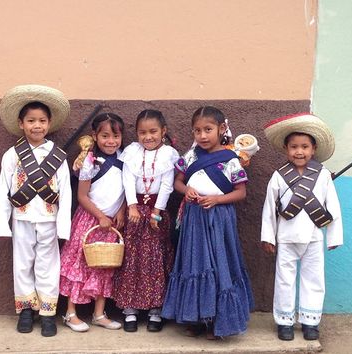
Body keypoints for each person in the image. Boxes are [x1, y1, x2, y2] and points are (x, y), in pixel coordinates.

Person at [161, 106, 254, 339]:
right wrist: (187, 190)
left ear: (222, 129)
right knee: (195, 262)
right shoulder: (190, 156)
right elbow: (177, 183)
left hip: (220, 219)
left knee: (219, 263)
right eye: (197, 131)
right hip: (194, 218)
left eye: (208, 130)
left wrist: (218, 199)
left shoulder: (231, 160)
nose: (202, 135)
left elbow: (240, 192)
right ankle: (196, 318)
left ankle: (217, 322)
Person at [0, 84, 72, 337]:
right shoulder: (11, 155)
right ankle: (26, 309)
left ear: (49, 124)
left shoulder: (57, 156)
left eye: (41, 121)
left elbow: (66, 192)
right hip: (22, 217)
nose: (36, 125)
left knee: (48, 265)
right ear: (21, 123)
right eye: (31, 121)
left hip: (49, 218)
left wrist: (63, 225)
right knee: (23, 264)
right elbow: (4, 190)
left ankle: (48, 313)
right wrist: (2, 224)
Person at [260, 113, 343, 341]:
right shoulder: (278, 176)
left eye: (304, 146)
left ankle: (310, 321)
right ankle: (284, 321)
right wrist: (268, 237)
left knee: (314, 279)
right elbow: (270, 208)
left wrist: (334, 237)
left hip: (314, 237)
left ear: (313, 149)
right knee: (284, 280)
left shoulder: (323, 175)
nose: (299, 151)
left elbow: (333, 207)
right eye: (294, 146)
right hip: (286, 237)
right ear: (286, 149)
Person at [113, 109, 179, 333]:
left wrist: (157, 211)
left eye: (153, 132)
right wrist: (131, 205)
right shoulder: (132, 152)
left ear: (163, 131)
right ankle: (130, 309)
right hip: (135, 212)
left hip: (156, 214)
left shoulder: (169, 155)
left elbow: (168, 184)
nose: (147, 137)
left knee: (155, 258)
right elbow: (128, 179)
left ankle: (155, 309)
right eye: (142, 132)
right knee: (132, 259)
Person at [59, 113, 126, 332]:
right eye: (105, 135)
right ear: (94, 136)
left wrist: (122, 211)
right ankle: (70, 313)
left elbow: (126, 191)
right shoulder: (89, 161)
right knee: (79, 264)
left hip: (111, 224)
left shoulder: (125, 159)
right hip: (90, 221)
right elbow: (82, 196)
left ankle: (99, 313)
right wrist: (100, 216)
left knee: (105, 266)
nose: (111, 141)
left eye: (115, 136)